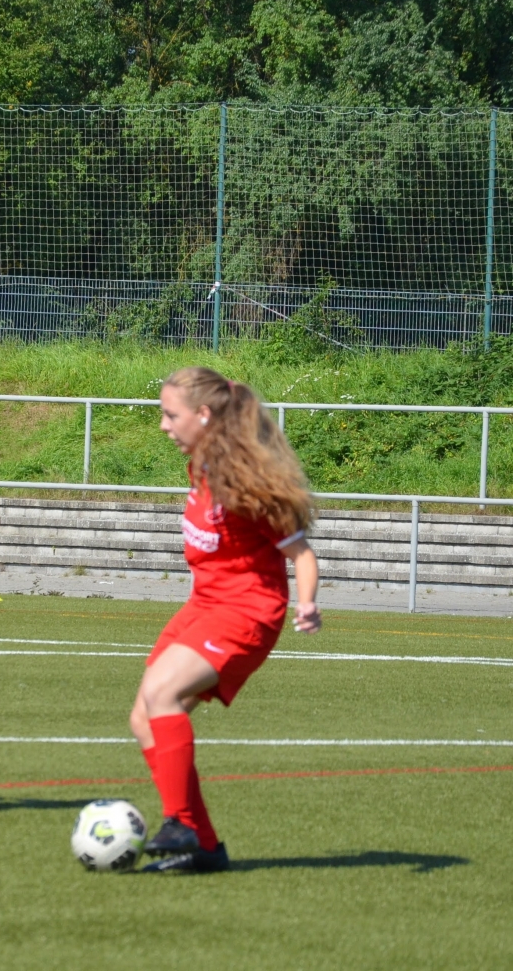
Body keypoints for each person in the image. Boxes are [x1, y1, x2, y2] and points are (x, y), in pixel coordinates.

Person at [130, 367, 322, 873]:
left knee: (163, 694)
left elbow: (302, 553)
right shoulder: (201, 469)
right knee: (143, 718)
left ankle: (180, 823)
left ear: (203, 414)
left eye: (170, 415)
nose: (163, 425)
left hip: (248, 612)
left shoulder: (244, 483)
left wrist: (306, 603)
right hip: (203, 606)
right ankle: (205, 847)